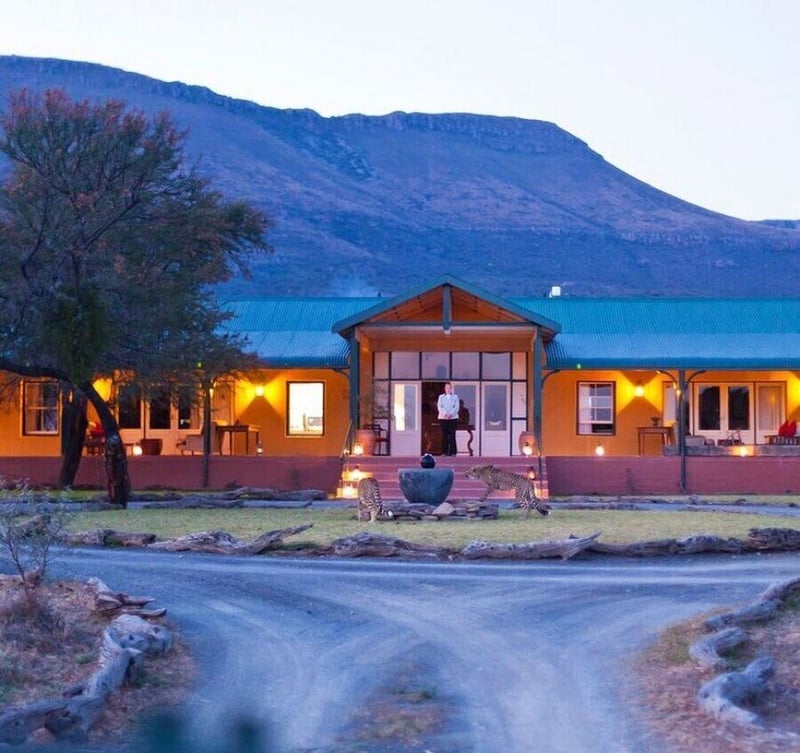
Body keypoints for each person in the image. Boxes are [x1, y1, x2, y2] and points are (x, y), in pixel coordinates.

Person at [437, 382, 460, 456]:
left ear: (451, 389)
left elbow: (456, 407)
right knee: (444, 435)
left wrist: (451, 414)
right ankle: (444, 452)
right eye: (447, 388)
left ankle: (453, 452)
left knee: (452, 435)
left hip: (453, 418)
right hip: (443, 418)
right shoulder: (441, 397)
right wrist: (445, 414)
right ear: (444, 389)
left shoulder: (455, 397)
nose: (448, 389)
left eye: (449, 388)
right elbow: (440, 407)